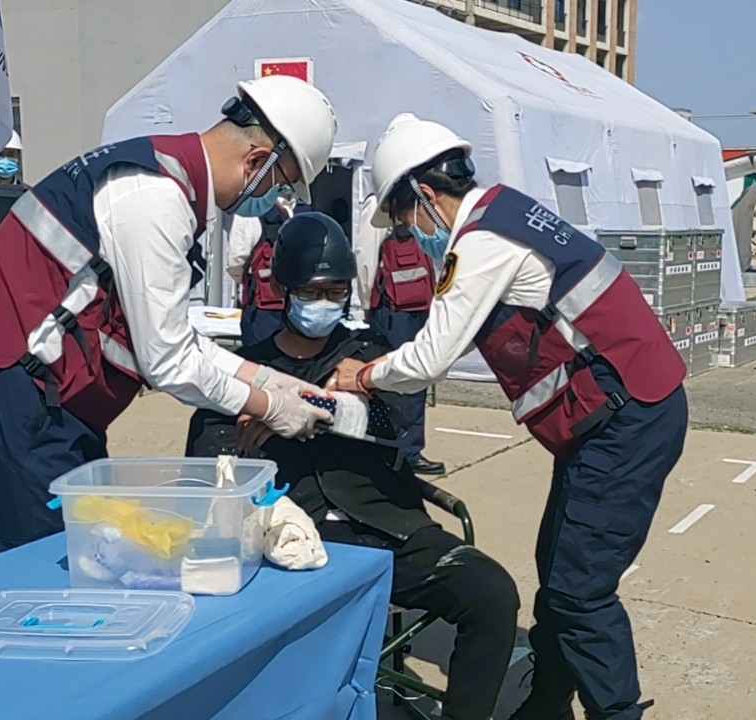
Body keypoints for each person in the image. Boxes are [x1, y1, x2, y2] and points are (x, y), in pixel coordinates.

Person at [328, 115, 687, 720]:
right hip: (614, 415)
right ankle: (545, 706)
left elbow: (431, 358)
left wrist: (362, 375)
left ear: (421, 193)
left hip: (626, 420)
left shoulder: (481, 241)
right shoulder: (507, 213)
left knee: (579, 592)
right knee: (560, 571)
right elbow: (479, 330)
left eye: (404, 216)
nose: (411, 232)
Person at [0, 75, 340, 553]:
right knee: (40, 558)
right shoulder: (154, 197)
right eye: (280, 183)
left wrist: (274, 382)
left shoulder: (165, 177)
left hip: (46, 395)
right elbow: (167, 362)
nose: (274, 198)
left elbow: (175, 340)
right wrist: (269, 406)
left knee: (85, 549)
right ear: (255, 161)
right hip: (7, 387)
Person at [186, 212, 519, 720]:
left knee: (493, 593)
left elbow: (391, 425)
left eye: (335, 292)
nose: (324, 304)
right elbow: (208, 450)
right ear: (282, 288)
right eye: (312, 291)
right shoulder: (241, 372)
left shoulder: (365, 361)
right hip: (293, 544)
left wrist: (292, 410)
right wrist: (262, 409)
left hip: (389, 527)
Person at [353, 193, 444, 475]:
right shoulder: (378, 206)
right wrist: (367, 303)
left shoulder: (420, 204)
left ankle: (411, 449)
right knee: (390, 377)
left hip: (421, 304)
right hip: (392, 310)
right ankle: (389, 446)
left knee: (418, 375)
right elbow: (365, 257)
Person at [235, 191, 312, 346]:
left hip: (301, 309)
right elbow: (236, 261)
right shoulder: (251, 211)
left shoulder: (307, 212)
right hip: (263, 312)